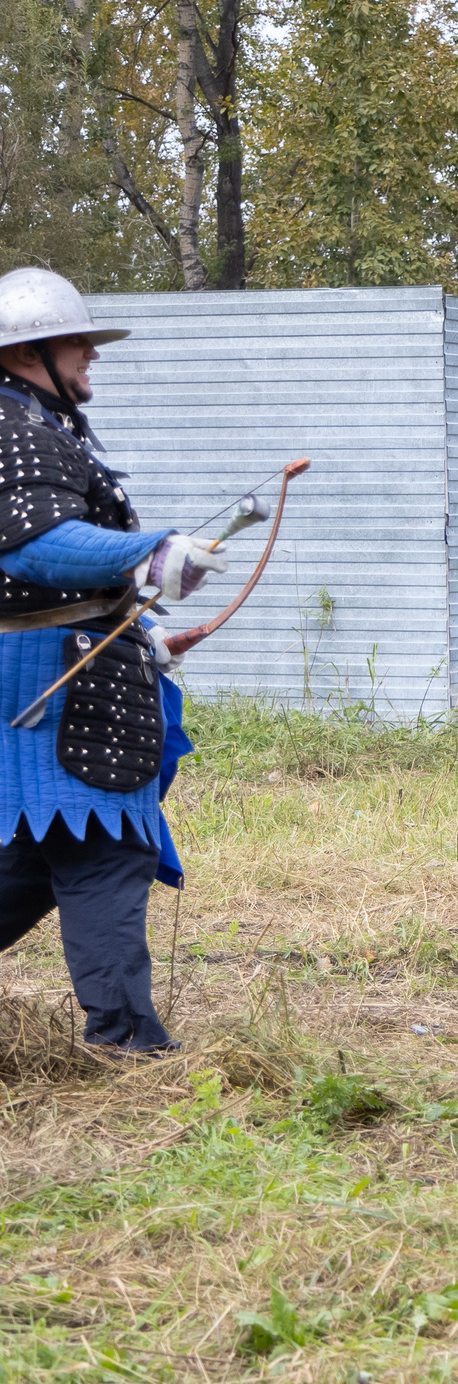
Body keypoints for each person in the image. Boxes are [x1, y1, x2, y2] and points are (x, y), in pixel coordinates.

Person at [0, 268, 224, 1053]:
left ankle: (126, 1032)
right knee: (103, 851)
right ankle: (129, 1043)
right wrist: (150, 551)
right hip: (48, 696)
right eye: (77, 341)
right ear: (28, 353)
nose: (92, 352)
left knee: (36, 856)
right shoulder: (11, 425)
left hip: (67, 678)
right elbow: (33, 548)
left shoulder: (35, 421)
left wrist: (147, 640)